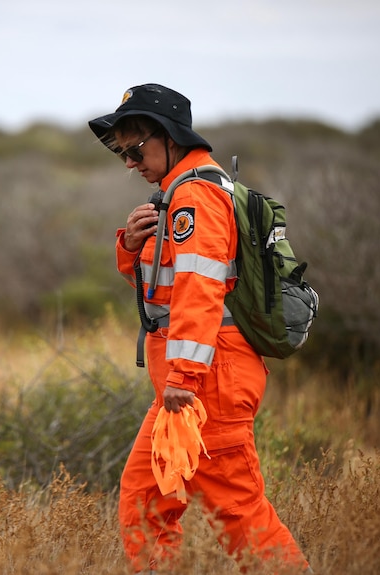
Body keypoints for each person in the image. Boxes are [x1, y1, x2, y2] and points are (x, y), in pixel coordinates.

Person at [89, 84, 311, 574]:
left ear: (167, 135)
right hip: (189, 381)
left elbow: (200, 290)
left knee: (238, 514)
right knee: (144, 504)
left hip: (206, 380)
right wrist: (130, 243)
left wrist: (184, 379)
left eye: (135, 149)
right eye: (121, 153)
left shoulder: (195, 197)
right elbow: (160, 293)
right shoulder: (177, 197)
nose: (129, 163)